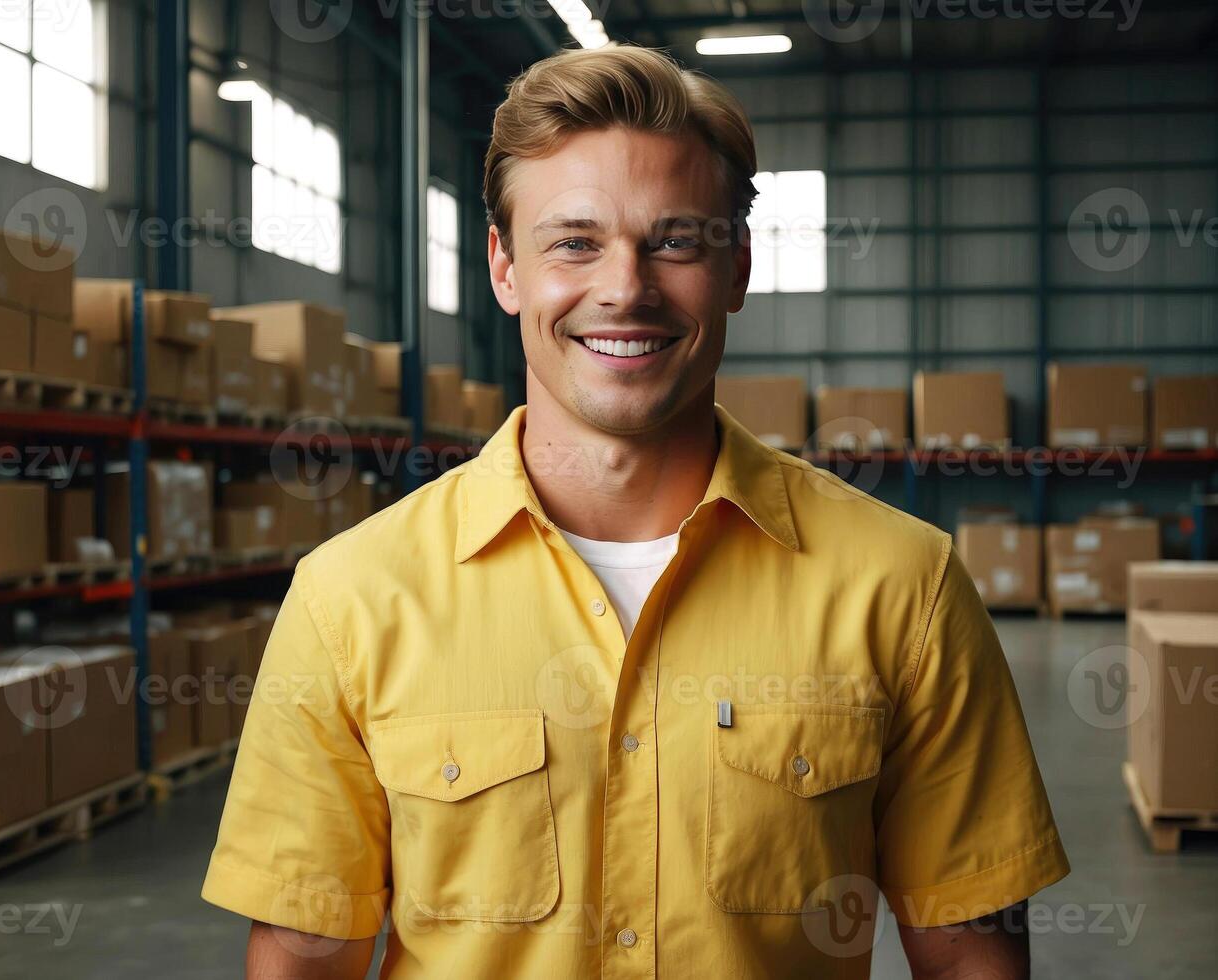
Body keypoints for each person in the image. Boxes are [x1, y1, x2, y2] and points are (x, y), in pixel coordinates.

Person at [203, 44, 1069, 979]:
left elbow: (969, 955)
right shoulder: (351, 601)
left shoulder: (904, 587)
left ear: (735, 267)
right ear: (504, 269)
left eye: (674, 240)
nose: (625, 287)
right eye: (574, 241)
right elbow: (301, 959)